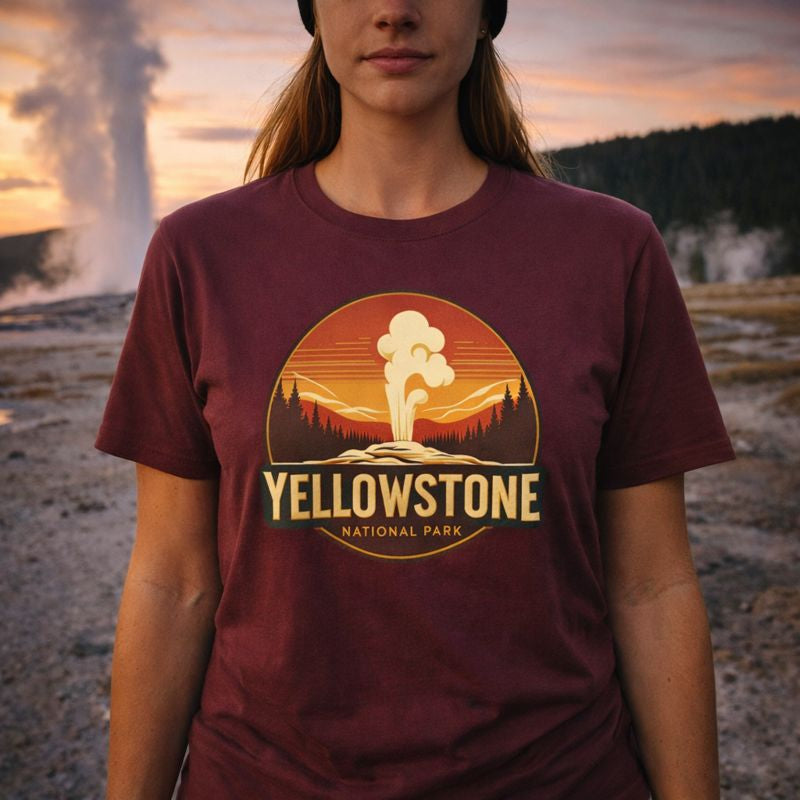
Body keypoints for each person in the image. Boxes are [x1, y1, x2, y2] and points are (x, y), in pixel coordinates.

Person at [94, 1, 736, 798]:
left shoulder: (612, 251)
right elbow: (171, 582)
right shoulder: (200, 254)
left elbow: (652, 586)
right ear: (312, 12)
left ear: (487, 12)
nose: (394, 11)